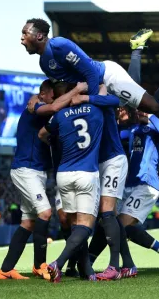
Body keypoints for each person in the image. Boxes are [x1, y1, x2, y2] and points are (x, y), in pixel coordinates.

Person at [21, 19, 159, 115]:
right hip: (101, 87)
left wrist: (93, 103)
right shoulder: (44, 63)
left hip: (107, 76)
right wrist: (38, 98)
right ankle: (137, 47)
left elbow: (89, 72)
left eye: (25, 33)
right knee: (136, 95)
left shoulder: (60, 45)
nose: (22, 39)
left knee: (152, 107)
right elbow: (62, 87)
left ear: (39, 35)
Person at [38, 82, 121, 283]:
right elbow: (111, 98)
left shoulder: (59, 115)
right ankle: (57, 264)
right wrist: (99, 86)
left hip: (64, 174)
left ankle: (86, 270)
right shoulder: (96, 110)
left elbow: (42, 134)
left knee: (75, 225)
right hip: (86, 173)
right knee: (85, 226)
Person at [0, 80, 55, 280]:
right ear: (42, 95)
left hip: (36, 171)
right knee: (45, 213)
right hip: (25, 170)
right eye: (52, 96)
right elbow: (55, 107)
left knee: (28, 223)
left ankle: (6, 269)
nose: (54, 101)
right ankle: (40, 265)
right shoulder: (34, 109)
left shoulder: (44, 112)